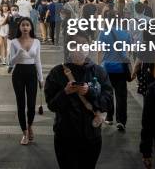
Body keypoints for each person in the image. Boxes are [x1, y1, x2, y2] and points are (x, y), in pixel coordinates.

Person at [45, 33, 114, 169]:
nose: (80, 48)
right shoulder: (57, 73)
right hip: (65, 136)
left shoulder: (99, 72)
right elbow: (52, 105)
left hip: (91, 135)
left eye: (84, 44)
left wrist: (90, 92)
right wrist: (65, 93)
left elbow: (108, 101)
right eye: (75, 45)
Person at [8, 17, 43, 145]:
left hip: (32, 73)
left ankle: (30, 126)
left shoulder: (36, 42)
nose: (25, 27)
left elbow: (38, 61)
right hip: (18, 73)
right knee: (21, 104)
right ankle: (24, 132)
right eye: (23, 25)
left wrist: (41, 78)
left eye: (27, 25)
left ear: (31, 27)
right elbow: (10, 62)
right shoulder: (14, 42)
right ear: (19, 27)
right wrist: (18, 55)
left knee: (32, 104)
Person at [97, 9, 132, 131]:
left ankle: (109, 117)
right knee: (121, 95)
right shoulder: (125, 33)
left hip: (106, 68)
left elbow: (100, 51)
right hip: (121, 69)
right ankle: (121, 121)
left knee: (108, 93)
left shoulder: (103, 33)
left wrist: (98, 66)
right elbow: (128, 51)